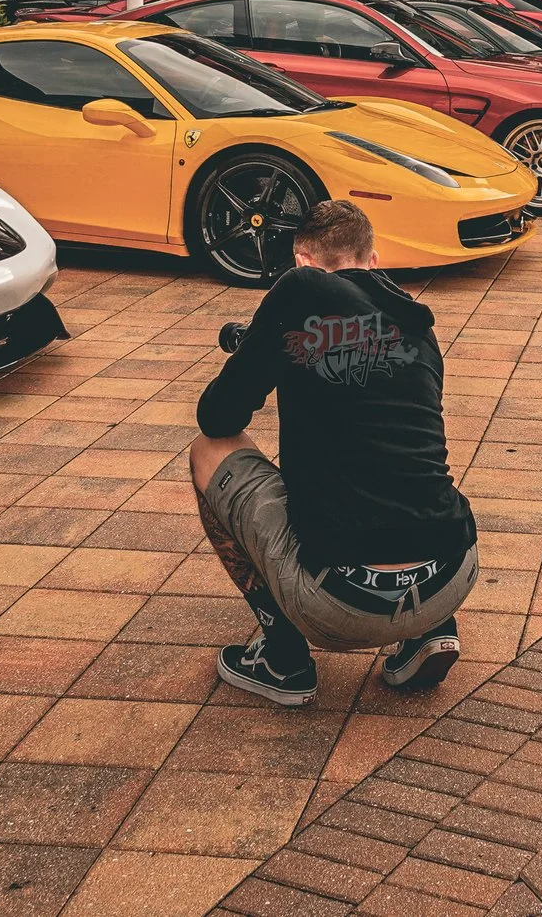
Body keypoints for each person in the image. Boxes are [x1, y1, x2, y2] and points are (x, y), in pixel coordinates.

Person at [187, 200, 476, 706]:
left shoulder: (297, 297)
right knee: (405, 459)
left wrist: (262, 345)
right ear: (374, 260)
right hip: (452, 573)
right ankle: (428, 631)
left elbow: (218, 418)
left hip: (338, 603)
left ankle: (283, 659)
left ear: (302, 262)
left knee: (208, 450)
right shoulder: (418, 326)